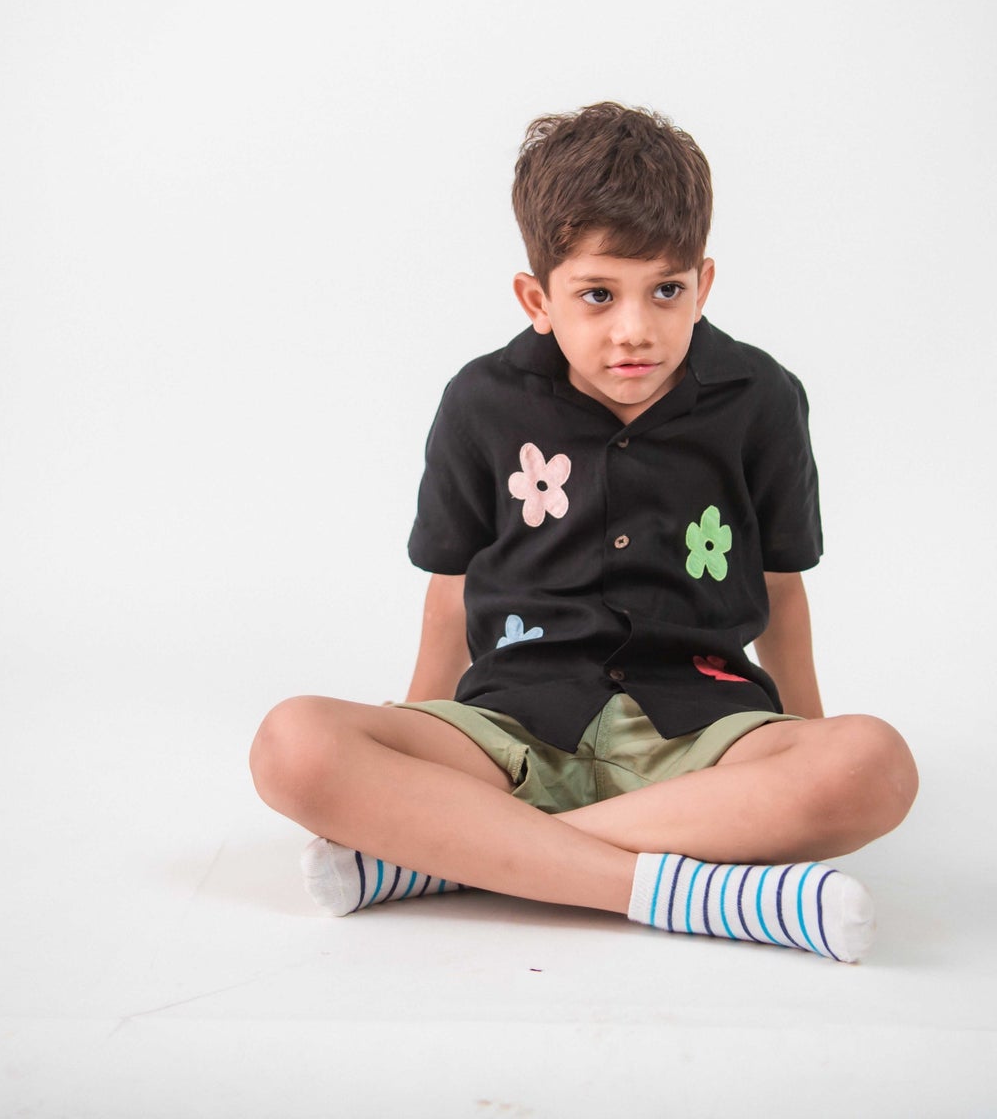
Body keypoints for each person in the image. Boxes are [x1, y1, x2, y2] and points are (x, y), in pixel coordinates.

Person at [248, 102, 918, 963]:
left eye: (666, 291)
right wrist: (418, 738)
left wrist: (811, 758)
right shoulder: (481, 403)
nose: (634, 329)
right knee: (292, 745)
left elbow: (783, 591)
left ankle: (454, 857)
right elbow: (450, 595)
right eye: (597, 295)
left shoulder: (761, 400)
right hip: (514, 725)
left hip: (700, 734)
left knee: (875, 764)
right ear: (538, 298)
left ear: (703, 285)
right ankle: (692, 891)